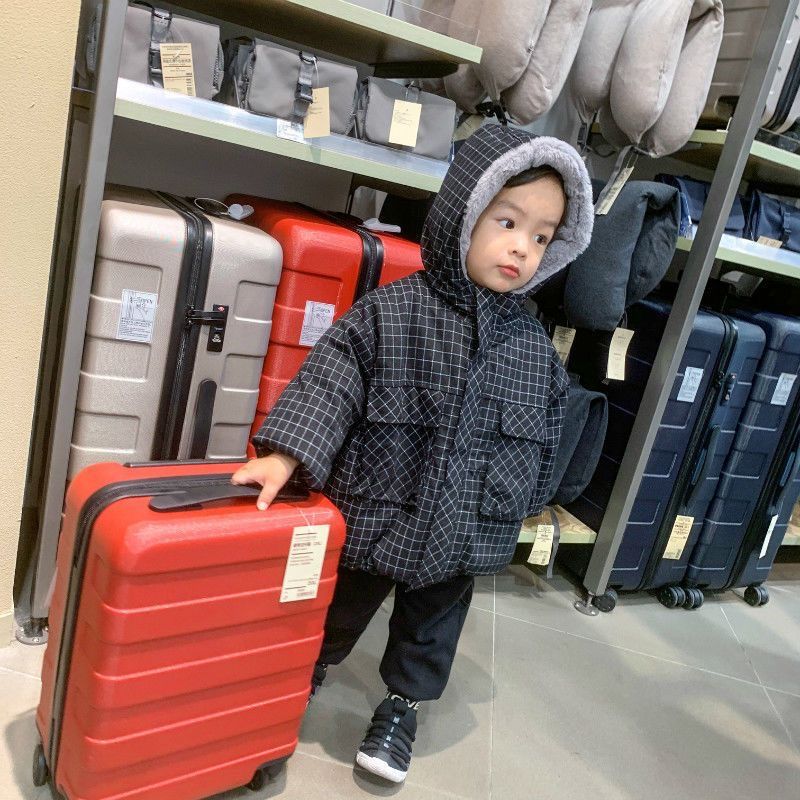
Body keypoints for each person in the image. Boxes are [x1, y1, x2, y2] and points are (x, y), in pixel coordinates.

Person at [231, 125, 594, 783]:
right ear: (463, 214)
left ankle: (402, 707)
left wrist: (529, 497)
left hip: (464, 529)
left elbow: (546, 429)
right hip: (379, 506)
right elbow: (333, 381)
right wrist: (285, 454)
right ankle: (297, 680)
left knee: (433, 629)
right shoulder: (393, 312)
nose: (522, 246)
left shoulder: (532, 349)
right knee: (337, 609)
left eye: (542, 237)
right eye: (508, 222)